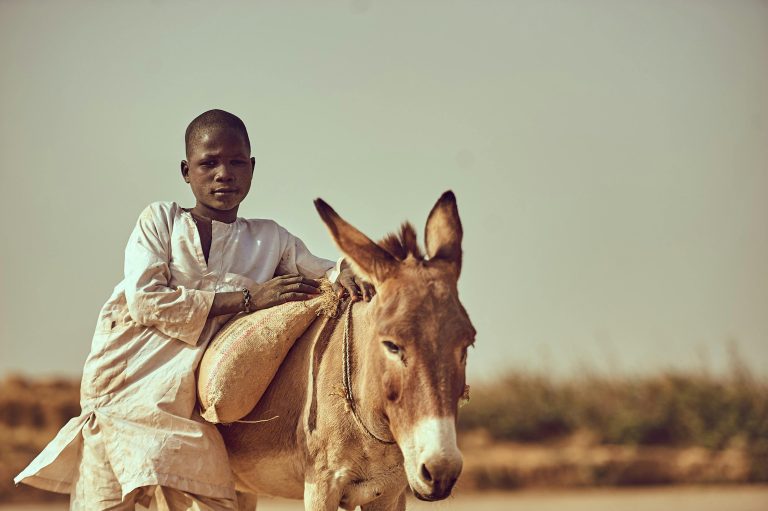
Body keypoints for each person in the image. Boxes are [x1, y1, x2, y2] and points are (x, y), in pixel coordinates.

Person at [14, 109, 370, 510]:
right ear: (187, 171)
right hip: (124, 390)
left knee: (220, 502)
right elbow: (146, 300)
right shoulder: (159, 221)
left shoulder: (270, 239)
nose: (224, 174)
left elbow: (326, 269)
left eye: (237, 162)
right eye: (209, 163)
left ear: (252, 169)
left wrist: (348, 273)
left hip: (192, 407)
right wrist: (251, 300)